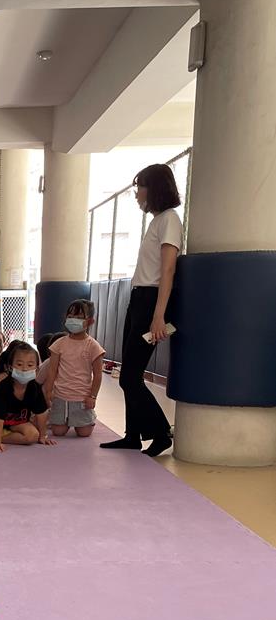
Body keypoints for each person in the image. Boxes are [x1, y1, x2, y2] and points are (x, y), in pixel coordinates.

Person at [101, 163, 181, 457]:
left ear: (154, 189)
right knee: (128, 372)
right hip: (139, 299)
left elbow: (168, 270)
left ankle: (161, 433)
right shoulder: (157, 221)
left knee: (130, 377)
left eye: (140, 188)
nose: (137, 195)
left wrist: (159, 315)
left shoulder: (170, 219)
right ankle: (133, 435)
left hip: (151, 301)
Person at [0, 341, 54, 453]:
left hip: (15, 423)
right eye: (19, 364)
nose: (24, 369)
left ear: (37, 369)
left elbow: (41, 413)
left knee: (33, 436)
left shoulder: (35, 388)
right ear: (10, 367)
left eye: (30, 365)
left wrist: (43, 436)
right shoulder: (4, 387)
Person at [44, 301, 105, 438]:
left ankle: (88, 419)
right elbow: (52, 370)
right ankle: (61, 418)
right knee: (58, 432)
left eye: (79, 317)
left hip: (82, 397)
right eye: (70, 316)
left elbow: (98, 375)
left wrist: (93, 396)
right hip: (60, 395)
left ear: (90, 321)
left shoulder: (93, 346)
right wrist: (48, 391)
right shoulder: (59, 344)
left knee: (84, 433)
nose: (73, 320)